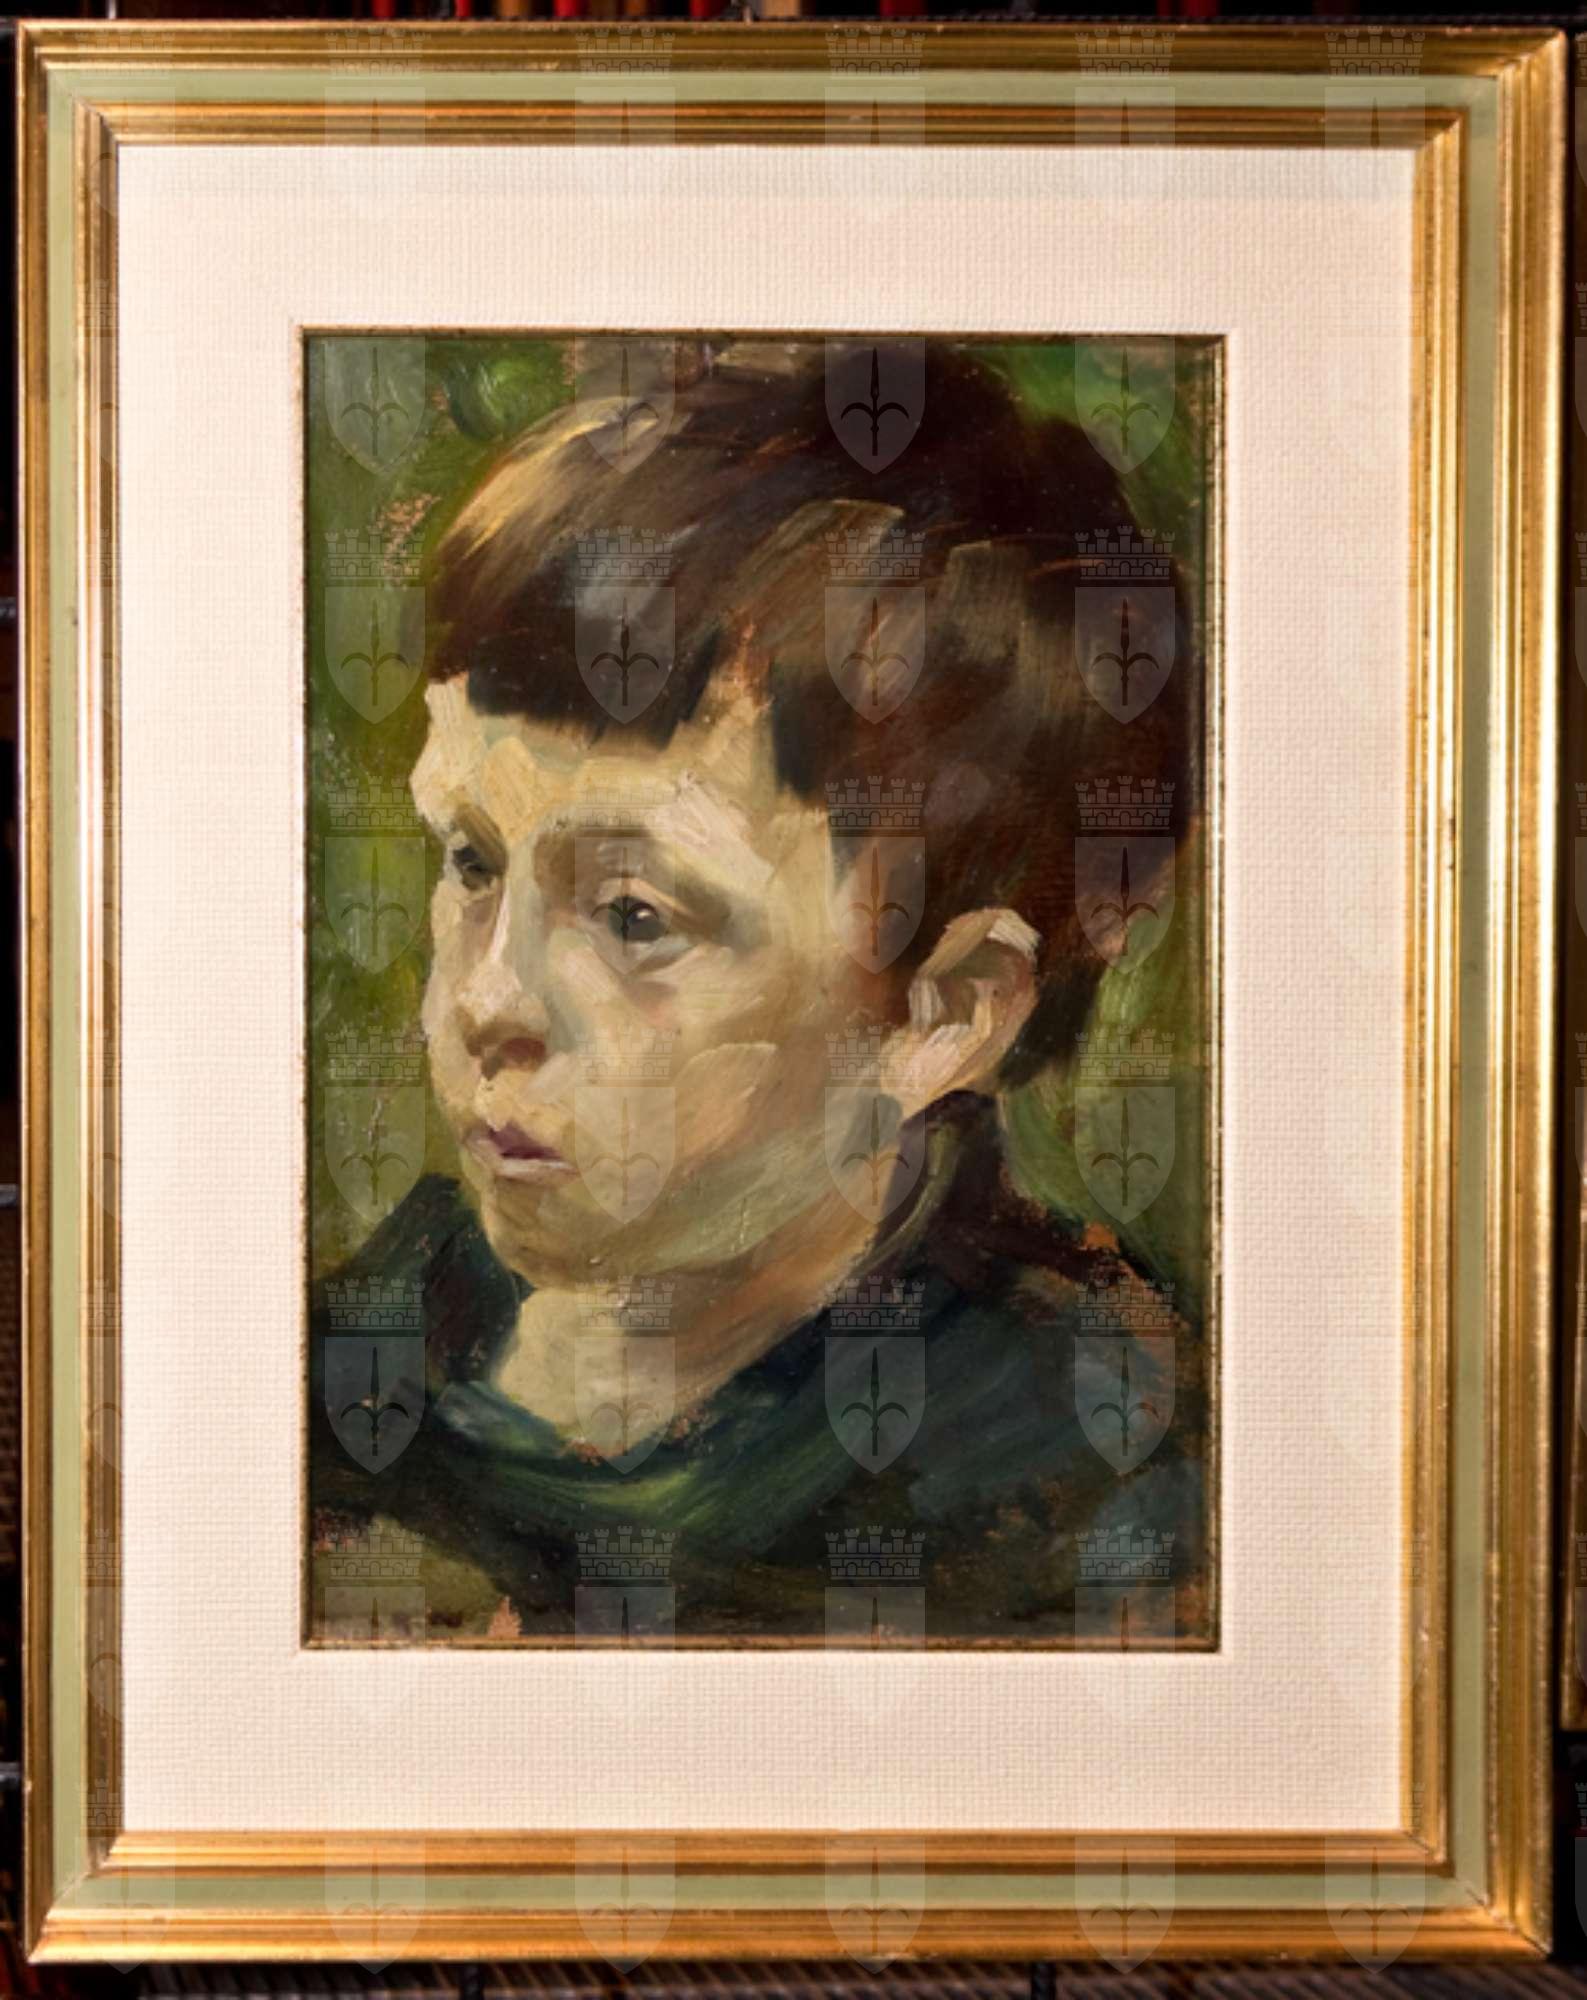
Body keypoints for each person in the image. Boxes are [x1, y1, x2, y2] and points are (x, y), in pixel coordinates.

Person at [308, 337, 1208, 1644]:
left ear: (942, 1015)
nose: (488, 1001)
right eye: (472, 861)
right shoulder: (349, 1358)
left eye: (636, 917)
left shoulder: (1080, 1494)